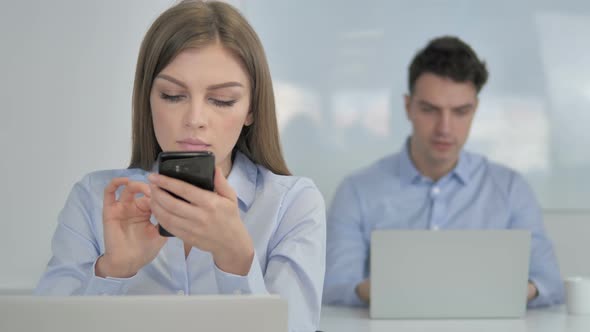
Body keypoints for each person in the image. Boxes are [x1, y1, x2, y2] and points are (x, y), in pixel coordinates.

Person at [35, 1, 326, 331]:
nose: (195, 120)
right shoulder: (94, 198)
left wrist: (237, 260)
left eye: (222, 100)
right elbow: (43, 324)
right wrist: (113, 270)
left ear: (250, 110)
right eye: (173, 95)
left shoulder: (293, 204)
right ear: (148, 98)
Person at [323, 36, 564, 308]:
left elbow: (551, 284)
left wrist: (507, 292)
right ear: (408, 107)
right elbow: (335, 286)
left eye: (461, 111)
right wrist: (395, 293)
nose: (445, 128)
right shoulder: (357, 191)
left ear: (475, 110)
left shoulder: (510, 188)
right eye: (430, 110)